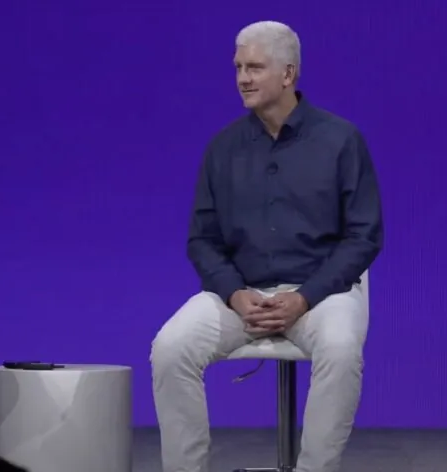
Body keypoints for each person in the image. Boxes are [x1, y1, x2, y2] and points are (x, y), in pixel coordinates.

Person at [150, 21, 383, 472]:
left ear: (288, 74)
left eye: (254, 67)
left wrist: (303, 297)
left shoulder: (340, 141)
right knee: (170, 347)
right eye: (238, 67)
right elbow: (202, 239)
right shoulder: (223, 148)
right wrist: (234, 293)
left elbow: (364, 236)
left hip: (321, 293)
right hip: (242, 295)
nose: (242, 78)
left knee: (339, 349)